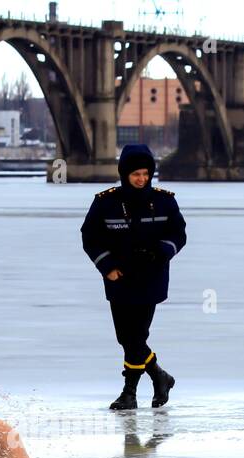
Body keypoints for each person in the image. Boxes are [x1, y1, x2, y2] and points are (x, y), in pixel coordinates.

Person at [81, 144, 187, 411]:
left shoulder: (164, 200)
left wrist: (164, 251)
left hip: (151, 278)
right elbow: (90, 237)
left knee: (136, 336)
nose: (141, 179)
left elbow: (179, 234)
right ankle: (159, 376)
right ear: (124, 174)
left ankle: (129, 393)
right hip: (119, 278)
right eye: (135, 174)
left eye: (145, 174)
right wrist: (107, 267)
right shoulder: (106, 202)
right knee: (126, 338)